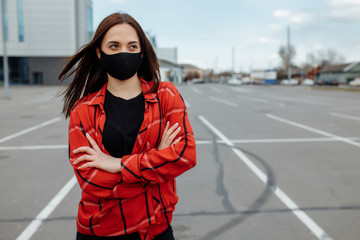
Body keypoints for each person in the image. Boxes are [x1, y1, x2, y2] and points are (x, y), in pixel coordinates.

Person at [58, 12, 196, 240]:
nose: (124, 52)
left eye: (132, 47)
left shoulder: (166, 95)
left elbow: (186, 155)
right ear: (99, 53)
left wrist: (118, 165)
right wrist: (156, 163)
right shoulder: (83, 110)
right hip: (100, 231)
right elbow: (93, 183)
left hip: (155, 229)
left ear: (141, 53)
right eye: (114, 46)